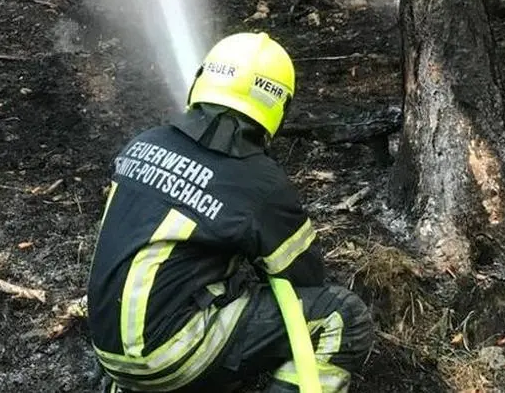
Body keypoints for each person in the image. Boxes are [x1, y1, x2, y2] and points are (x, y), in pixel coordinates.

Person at [86, 32, 374, 393]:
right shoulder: (259, 182)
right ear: (277, 106)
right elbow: (304, 277)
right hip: (169, 355)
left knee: (227, 288)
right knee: (340, 317)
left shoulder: (144, 142)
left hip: (109, 351)